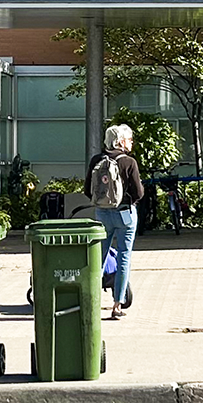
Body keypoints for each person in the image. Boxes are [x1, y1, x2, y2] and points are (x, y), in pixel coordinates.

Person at [83, 123, 144, 320]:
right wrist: (130, 201)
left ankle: (91, 303)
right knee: (123, 257)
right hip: (125, 214)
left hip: (102, 214)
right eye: (129, 139)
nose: (131, 142)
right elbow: (139, 192)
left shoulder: (96, 160)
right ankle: (117, 305)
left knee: (98, 259)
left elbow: (87, 190)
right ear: (120, 141)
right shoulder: (129, 162)